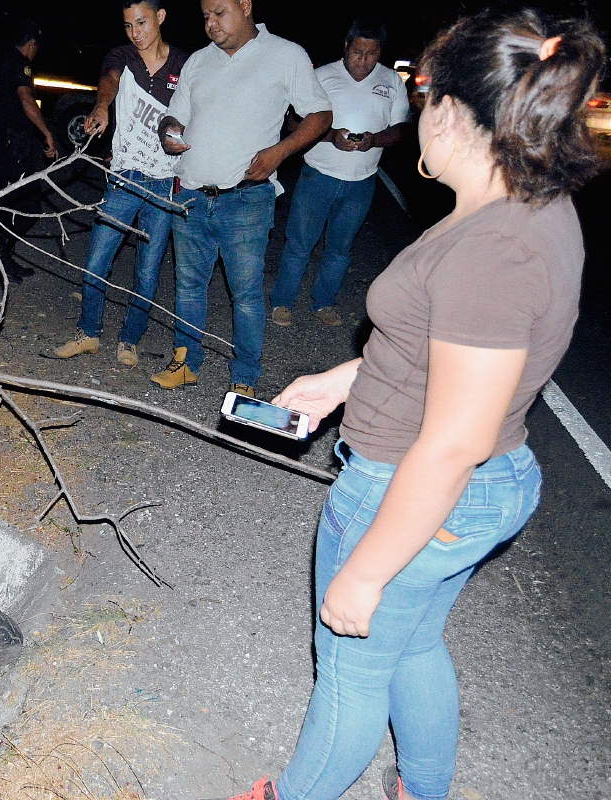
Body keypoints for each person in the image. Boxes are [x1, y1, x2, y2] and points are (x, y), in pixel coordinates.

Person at [209, 10, 605, 800]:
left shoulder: (495, 249)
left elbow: (452, 439)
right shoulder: (524, 210)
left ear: (454, 111)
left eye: (423, 96)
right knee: (414, 646)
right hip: (487, 478)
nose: (415, 110)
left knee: (352, 675)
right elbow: (450, 354)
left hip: (415, 485)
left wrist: (367, 569)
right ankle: (423, 789)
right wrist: (345, 379)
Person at [152, 0, 330, 396]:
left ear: (245, 6)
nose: (210, 24)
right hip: (193, 196)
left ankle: (245, 375)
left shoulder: (285, 54)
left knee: (246, 293)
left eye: (219, 13)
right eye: (204, 17)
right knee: (188, 286)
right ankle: (186, 362)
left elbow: (320, 115)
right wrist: (169, 131)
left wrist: (279, 152)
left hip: (247, 198)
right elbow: (173, 114)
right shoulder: (199, 60)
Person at [52, 0, 188, 368]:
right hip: (124, 177)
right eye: (128, 25)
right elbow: (109, 80)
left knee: (147, 269)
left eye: (142, 23)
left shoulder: (186, 65)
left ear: (160, 17)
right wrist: (100, 107)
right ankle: (89, 333)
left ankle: (130, 339)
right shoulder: (123, 55)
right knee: (97, 260)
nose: (136, 33)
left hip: (163, 183)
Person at [270, 17, 409, 329]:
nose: (363, 60)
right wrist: (331, 135)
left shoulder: (391, 82)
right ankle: (282, 301)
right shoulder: (321, 76)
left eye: (371, 54)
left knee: (340, 250)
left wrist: (375, 139)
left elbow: (400, 130)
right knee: (299, 244)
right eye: (357, 52)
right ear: (346, 47)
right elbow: (294, 122)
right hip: (318, 175)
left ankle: (324, 302)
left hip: (362, 181)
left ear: (380, 52)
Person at [0, 17, 58, 284]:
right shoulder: (20, 65)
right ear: (31, 44)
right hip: (14, 145)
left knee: (8, 203)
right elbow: (27, 100)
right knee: (27, 205)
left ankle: (1, 258)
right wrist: (47, 133)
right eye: (36, 47)